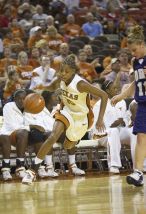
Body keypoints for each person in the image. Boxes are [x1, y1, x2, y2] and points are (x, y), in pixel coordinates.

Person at [22, 54, 108, 184]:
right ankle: (32, 171)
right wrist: (44, 91)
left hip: (81, 117)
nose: (62, 73)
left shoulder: (81, 84)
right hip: (66, 111)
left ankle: (73, 142)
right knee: (53, 136)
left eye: (66, 71)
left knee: (69, 144)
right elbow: (50, 87)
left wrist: (100, 119)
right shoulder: (60, 79)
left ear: (74, 71)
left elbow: (104, 95)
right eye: (61, 70)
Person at [111, 25, 146, 187]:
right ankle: (138, 172)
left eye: (134, 50)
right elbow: (135, 82)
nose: (133, 53)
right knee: (140, 136)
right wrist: (122, 95)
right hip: (142, 103)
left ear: (142, 44)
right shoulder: (136, 62)